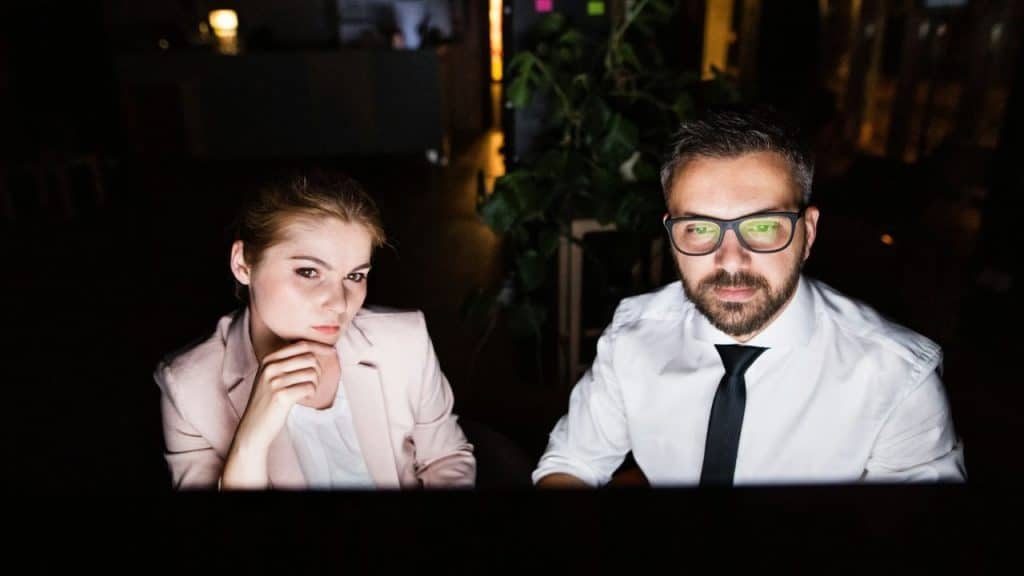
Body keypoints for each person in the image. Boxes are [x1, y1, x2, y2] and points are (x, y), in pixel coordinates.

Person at [534, 109, 965, 487]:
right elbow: (571, 463)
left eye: (761, 227)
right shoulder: (634, 335)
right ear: (671, 234)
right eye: (700, 229)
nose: (731, 260)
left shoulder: (897, 381)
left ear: (807, 233)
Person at [154, 172, 475, 489]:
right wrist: (251, 439)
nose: (339, 304)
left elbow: (444, 459)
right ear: (243, 264)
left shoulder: (405, 340)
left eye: (355, 276)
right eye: (309, 271)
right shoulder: (187, 387)